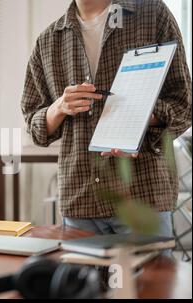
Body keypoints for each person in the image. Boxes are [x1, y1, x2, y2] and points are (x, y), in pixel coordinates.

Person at [21, 0, 192, 237]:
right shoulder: (48, 41)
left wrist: (140, 119)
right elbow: (34, 125)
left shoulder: (152, 14)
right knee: (78, 276)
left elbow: (184, 104)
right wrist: (59, 107)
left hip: (142, 197)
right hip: (81, 200)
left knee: (149, 276)